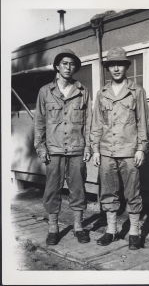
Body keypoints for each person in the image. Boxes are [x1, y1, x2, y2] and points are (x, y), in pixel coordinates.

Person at [90, 47, 149, 250]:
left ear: (126, 66)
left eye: (120, 64)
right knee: (108, 192)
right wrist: (95, 148)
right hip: (107, 150)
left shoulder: (137, 91)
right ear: (108, 68)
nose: (116, 68)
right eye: (112, 65)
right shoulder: (101, 94)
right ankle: (111, 230)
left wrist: (141, 148)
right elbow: (96, 123)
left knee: (132, 191)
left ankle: (134, 231)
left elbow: (142, 122)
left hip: (129, 150)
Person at [34, 49, 92, 245]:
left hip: (77, 148)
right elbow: (39, 122)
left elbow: (88, 121)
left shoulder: (82, 91)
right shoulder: (45, 91)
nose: (69, 67)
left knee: (78, 189)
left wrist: (88, 146)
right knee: (52, 189)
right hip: (54, 149)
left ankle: (78, 226)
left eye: (72, 64)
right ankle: (53, 228)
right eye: (65, 63)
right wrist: (41, 148)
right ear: (57, 66)